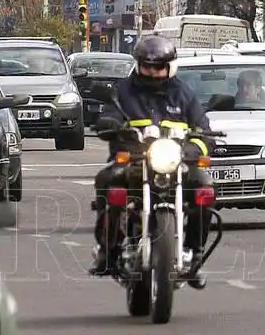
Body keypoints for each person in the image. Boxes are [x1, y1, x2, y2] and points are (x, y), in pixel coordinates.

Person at [90, 35, 215, 288]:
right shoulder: (124, 91)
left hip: (175, 162)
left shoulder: (184, 94)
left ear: (170, 66)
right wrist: (109, 124)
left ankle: (195, 256)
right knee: (109, 181)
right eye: (147, 66)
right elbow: (109, 115)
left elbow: (203, 130)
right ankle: (108, 249)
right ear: (138, 65)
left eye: (159, 67)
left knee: (205, 188)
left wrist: (192, 149)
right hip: (134, 159)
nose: (153, 72)